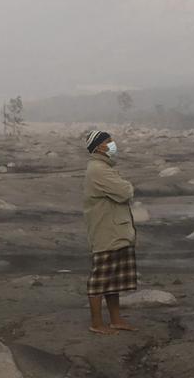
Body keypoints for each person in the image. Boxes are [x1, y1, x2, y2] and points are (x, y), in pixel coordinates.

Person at [83, 129, 138, 335]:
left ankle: (116, 319)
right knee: (100, 279)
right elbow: (125, 192)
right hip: (107, 231)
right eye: (109, 141)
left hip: (114, 229)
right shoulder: (99, 170)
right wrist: (127, 186)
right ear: (99, 147)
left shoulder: (104, 167)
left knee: (113, 279)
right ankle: (97, 323)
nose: (113, 144)